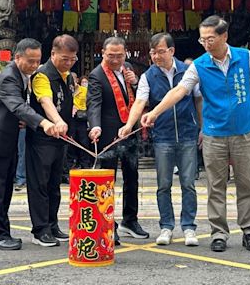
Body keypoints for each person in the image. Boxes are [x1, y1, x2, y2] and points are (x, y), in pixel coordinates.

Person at [141, 15, 250, 253]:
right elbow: (179, 91)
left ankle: (249, 231)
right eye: (202, 39)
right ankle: (219, 233)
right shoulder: (199, 64)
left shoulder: (244, 56)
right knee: (215, 186)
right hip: (214, 134)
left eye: (210, 38)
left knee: (245, 183)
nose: (206, 43)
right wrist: (155, 112)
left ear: (224, 36)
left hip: (243, 131)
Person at [119, 33, 201, 247]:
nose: (156, 56)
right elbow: (139, 102)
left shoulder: (188, 71)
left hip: (188, 133)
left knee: (188, 184)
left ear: (172, 51)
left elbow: (198, 100)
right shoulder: (148, 75)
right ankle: (166, 226)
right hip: (163, 135)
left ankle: (189, 227)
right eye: (153, 52)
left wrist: (201, 127)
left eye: (161, 51)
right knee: (163, 184)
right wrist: (129, 125)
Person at [0, 38, 57, 251]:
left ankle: (3, 232)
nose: (34, 65)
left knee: (4, 190)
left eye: (37, 61)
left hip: (6, 140)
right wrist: (44, 123)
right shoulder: (8, 78)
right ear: (17, 57)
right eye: (30, 61)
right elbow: (18, 107)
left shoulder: (23, 76)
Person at [87, 36, 149, 245]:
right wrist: (95, 126)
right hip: (108, 135)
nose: (115, 60)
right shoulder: (97, 75)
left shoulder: (128, 68)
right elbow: (93, 103)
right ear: (103, 53)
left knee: (132, 177)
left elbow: (140, 95)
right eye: (111, 56)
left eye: (119, 56)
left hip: (129, 131)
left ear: (125, 54)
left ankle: (130, 220)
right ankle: (108, 225)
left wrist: (136, 81)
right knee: (108, 182)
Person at [26, 34, 77, 247]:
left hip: (59, 140)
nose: (69, 63)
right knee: (40, 184)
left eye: (72, 59)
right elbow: (46, 101)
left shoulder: (66, 76)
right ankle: (40, 229)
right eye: (64, 58)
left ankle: (52, 224)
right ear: (53, 54)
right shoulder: (41, 76)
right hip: (42, 140)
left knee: (54, 184)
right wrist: (57, 121)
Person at [69, 75, 92, 169]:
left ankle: (85, 165)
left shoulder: (84, 90)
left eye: (74, 79)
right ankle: (70, 167)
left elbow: (89, 104)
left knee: (84, 143)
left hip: (82, 119)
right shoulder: (67, 90)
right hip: (70, 120)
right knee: (70, 143)